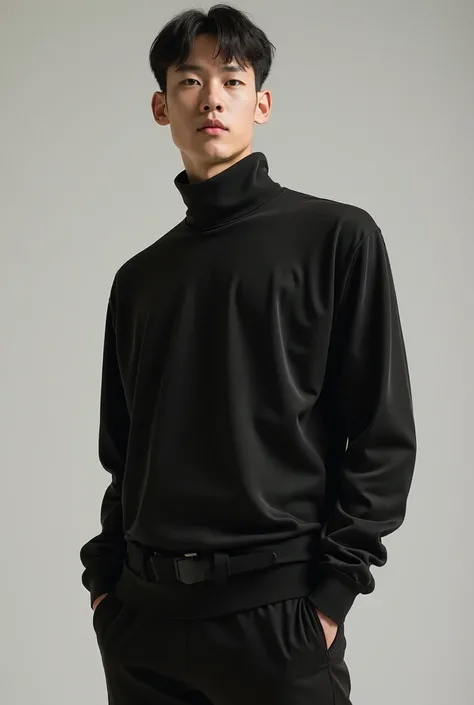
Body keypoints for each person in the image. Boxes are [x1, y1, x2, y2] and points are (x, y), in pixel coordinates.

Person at [79, 4, 417, 704]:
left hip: (277, 620)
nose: (212, 98)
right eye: (189, 81)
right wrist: (106, 589)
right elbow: (125, 453)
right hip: (144, 623)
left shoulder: (336, 239)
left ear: (261, 103)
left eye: (232, 80)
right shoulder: (138, 280)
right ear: (161, 107)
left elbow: (382, 436)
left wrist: (330, 598)